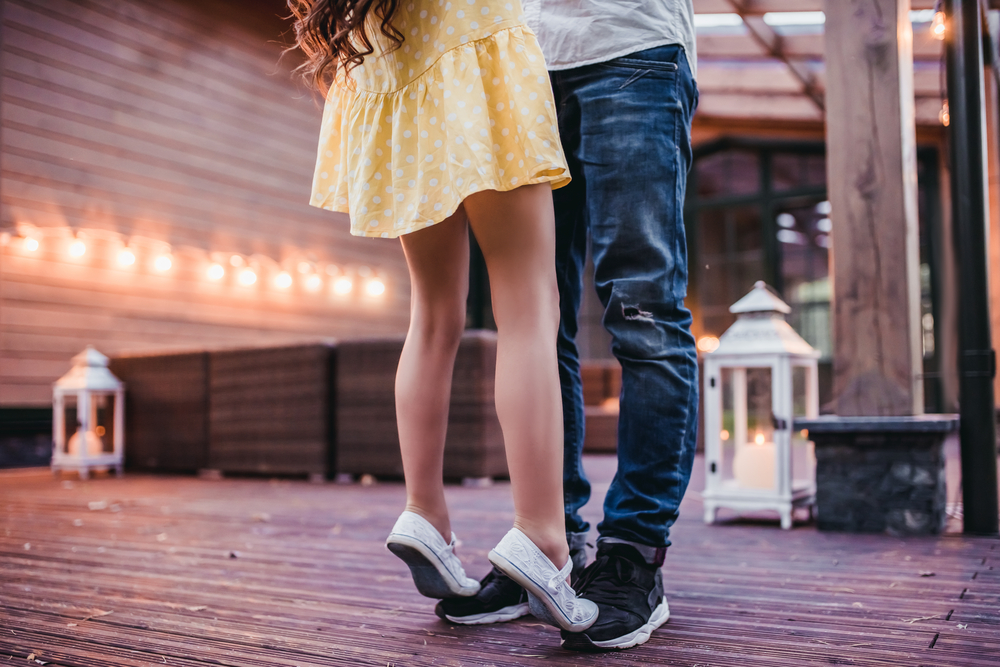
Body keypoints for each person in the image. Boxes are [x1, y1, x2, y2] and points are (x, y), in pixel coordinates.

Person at [287, 0, 598, 636]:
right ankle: (542, 533)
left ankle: (423, 511)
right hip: (474, 46)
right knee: (529, 308)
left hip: (389, 71)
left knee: (432, 317)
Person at [436, 0, 699, 652]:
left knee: (643, 314)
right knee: (534, 321)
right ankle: (548, 545)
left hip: (632, 48)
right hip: (519, 65)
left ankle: (633, 556)